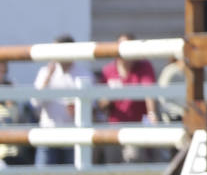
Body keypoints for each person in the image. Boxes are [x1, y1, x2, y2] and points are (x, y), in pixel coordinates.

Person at [97, 33, 158, 163]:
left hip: (137, 124)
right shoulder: (108, 70)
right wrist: (109, 98)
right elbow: (101, 104)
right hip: (114, 125)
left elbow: (149, 91)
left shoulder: (144, 66)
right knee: (112, 161)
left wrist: (152, 113)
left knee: (134, 158)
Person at [31, 35, 90, 167]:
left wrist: (78, 110)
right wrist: (48, 77)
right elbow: (35, 102)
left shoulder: (83, 74)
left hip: (73, 135)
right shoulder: (45, 72)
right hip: (48, 133)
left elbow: (92, 107)